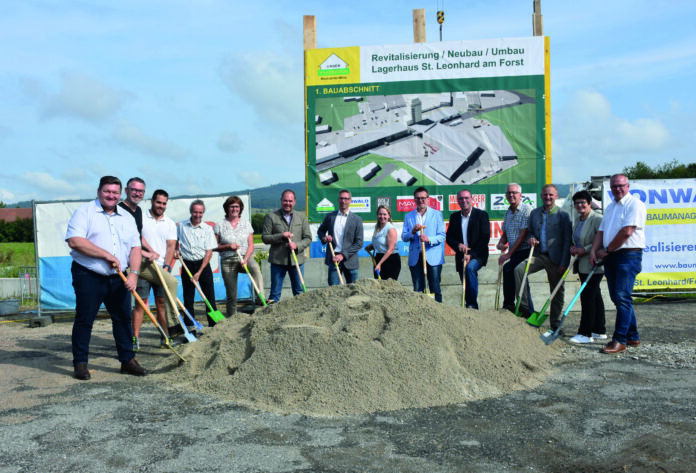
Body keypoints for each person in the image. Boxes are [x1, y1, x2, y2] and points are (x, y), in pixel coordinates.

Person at [65, 175, 147, 380]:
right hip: (88, 274)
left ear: (121, 195)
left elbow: (136, 248)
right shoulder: (84, 212)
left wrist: (134, 274)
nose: (111, 195)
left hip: (118, 277)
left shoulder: (127, 217)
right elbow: (75, 241)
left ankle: (127, 360)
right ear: (99, 191)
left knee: (123, 319)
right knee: (85, 319)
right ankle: (80, 363)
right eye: (107, 191)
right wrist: (105, 254)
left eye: (115, 192)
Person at [591, 173, 647, 354]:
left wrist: (607, 250)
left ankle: (619, 340)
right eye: (614, 186)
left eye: (621, 185)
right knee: (617, 298)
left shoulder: (635, 205)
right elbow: (601, 231)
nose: (618, 189)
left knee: (622, 297)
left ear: (628, 186)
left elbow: (627, 231)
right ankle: (632, 335)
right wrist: (594, 250)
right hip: (612, 256)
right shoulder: (611, 207)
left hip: (628, 256)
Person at [515, 184, 572, 329]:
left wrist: (564, 263)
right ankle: (525, 309)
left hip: (556, 259)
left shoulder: (563, 215)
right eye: (545, 194)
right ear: (541, 196)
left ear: (556, 196)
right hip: (539, 255)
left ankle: (555, 323)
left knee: (557, 291)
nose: (548, 197)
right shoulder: (534, 213)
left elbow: (567, 241)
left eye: (551, 195)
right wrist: (532, 238)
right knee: (519, 270)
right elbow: (531, 232)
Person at [133, 189, 180, 348]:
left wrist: (167, 266)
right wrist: (145, 253)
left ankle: (165, 338)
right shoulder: (140, 218)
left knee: (161, 302)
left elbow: (171, 246)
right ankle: (135, 339)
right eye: (158, 202)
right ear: (152, 201)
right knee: (140, 303)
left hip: (161, 268)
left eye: (164, 203)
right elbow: (136, 239)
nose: (161, 206)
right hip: (142, 267)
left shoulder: (170, 223)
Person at [213, 196, 263, 316]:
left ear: (240, 208)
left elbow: (251, 245)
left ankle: (261, 298)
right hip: (228, 261)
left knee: (255, 267)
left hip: (245, 258)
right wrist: (228, 246)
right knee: (232, 295)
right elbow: (214, 246)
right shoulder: (219, 225)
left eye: (237, 206)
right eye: (232, 206)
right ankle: (232, 319)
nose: (235, 209)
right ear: (227, 208)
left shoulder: (246, 224)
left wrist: (246, 258)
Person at [568, 190, 606, 344]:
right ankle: (599, 330)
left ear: (590, 203)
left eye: (583, 202)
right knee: (595, 295)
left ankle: (585, 333)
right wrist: (573, 247)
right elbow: (576, 239)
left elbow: (603, 240)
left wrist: (586, 249)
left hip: (594, 263)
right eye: (577, 203)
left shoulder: (597, 219)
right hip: (581, 263)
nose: (580, 205)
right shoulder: (578, 219)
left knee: (587, 297)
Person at [262, 190, 312, 302]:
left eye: (290, 201)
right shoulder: (271, 217)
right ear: (281, 200)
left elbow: (308, 238)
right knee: (274, 295)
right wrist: (281, 236)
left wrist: (297, 245)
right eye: (285, 200)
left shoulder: (301, 217)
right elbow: (265, 238)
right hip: (278, 261)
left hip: (297, 261)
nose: (287, 203)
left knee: (299, 292)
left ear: (294, 202)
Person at [446, 190, 490, 309]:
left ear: (472, 199)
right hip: (461, 255)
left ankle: (472, 305)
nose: (464, 201)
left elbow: (485, 238)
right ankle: (467, 305)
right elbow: (449, 237)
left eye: (466, 198)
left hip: (478, 254)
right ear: (457, 201)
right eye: (461, 199)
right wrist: (458, 245)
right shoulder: (454, 217)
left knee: (469, 268)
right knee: (464, 279)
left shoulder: (481, 215)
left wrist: (472, 254)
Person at [178, 199, 218, 327]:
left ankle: (215, 326)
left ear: (203, 213)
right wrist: (175, 251)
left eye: (200, 212)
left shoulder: (207, 229)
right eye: (195, 212)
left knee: (210, 298)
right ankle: (190, 328)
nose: (197, 215)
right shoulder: (181, 226)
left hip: (203, 265)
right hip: (187, 264)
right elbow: (173, 243)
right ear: (191, 211)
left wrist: (199, 272)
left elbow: (209, 252)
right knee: (188, 299)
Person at [401, 187, 446, 302]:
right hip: (416, 258)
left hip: (433, 257)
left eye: (423, 198)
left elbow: (441, 236)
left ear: (428, 199)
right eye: (418, 198)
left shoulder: (437, 215)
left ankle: (439, 314)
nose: (421, 200)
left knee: (435, 288)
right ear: (414, 200)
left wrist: (428, 239)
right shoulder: (409, 216)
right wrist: (412, 232)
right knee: (417, 289)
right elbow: (404, 237)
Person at [496, 183, 534, 313]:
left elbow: (523, 236)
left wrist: (508, 254)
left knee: (509, 268)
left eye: (514, 192)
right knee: (519, 277)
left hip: (525, 250)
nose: (511, 195)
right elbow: (505, 234)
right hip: (515, 252)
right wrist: (501, 243)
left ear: (520, 195)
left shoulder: (526, 210)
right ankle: (524, 309)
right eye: (508, 193)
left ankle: (509, 305)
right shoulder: (508, 213)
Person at [317, 189, 364, 285]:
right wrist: (324, 238)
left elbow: (359, 243)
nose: (343, 201)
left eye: (346, 199)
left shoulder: (357, 219)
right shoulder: (330, 216)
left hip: (350, 260)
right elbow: (320, 231)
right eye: (341, 198)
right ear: (338, 199)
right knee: (333, 292)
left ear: (350, 200)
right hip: (334, 259)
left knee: (354, 292)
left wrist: (342, 255)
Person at [365, 205, 401, 280]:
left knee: (388, 287)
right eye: (380, 214)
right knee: (378, 286)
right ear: (377, 215)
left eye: (384, 214)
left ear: (388, 216)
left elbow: (390, 249)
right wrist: (371, 246)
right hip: (378, 258)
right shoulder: (377, 227)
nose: (382, 216)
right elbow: (381, 242)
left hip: (391, 261)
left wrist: (379, 264)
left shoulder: (390, 229)